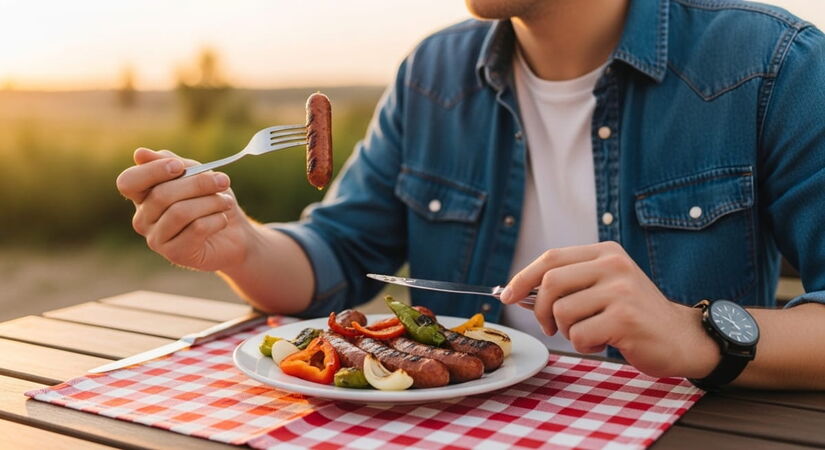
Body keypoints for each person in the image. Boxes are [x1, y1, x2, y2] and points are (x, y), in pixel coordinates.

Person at [116, 0, 825, 390]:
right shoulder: (432, 72)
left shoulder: (770, 66)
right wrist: (237, 244)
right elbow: (334, 256)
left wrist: (695, 335)